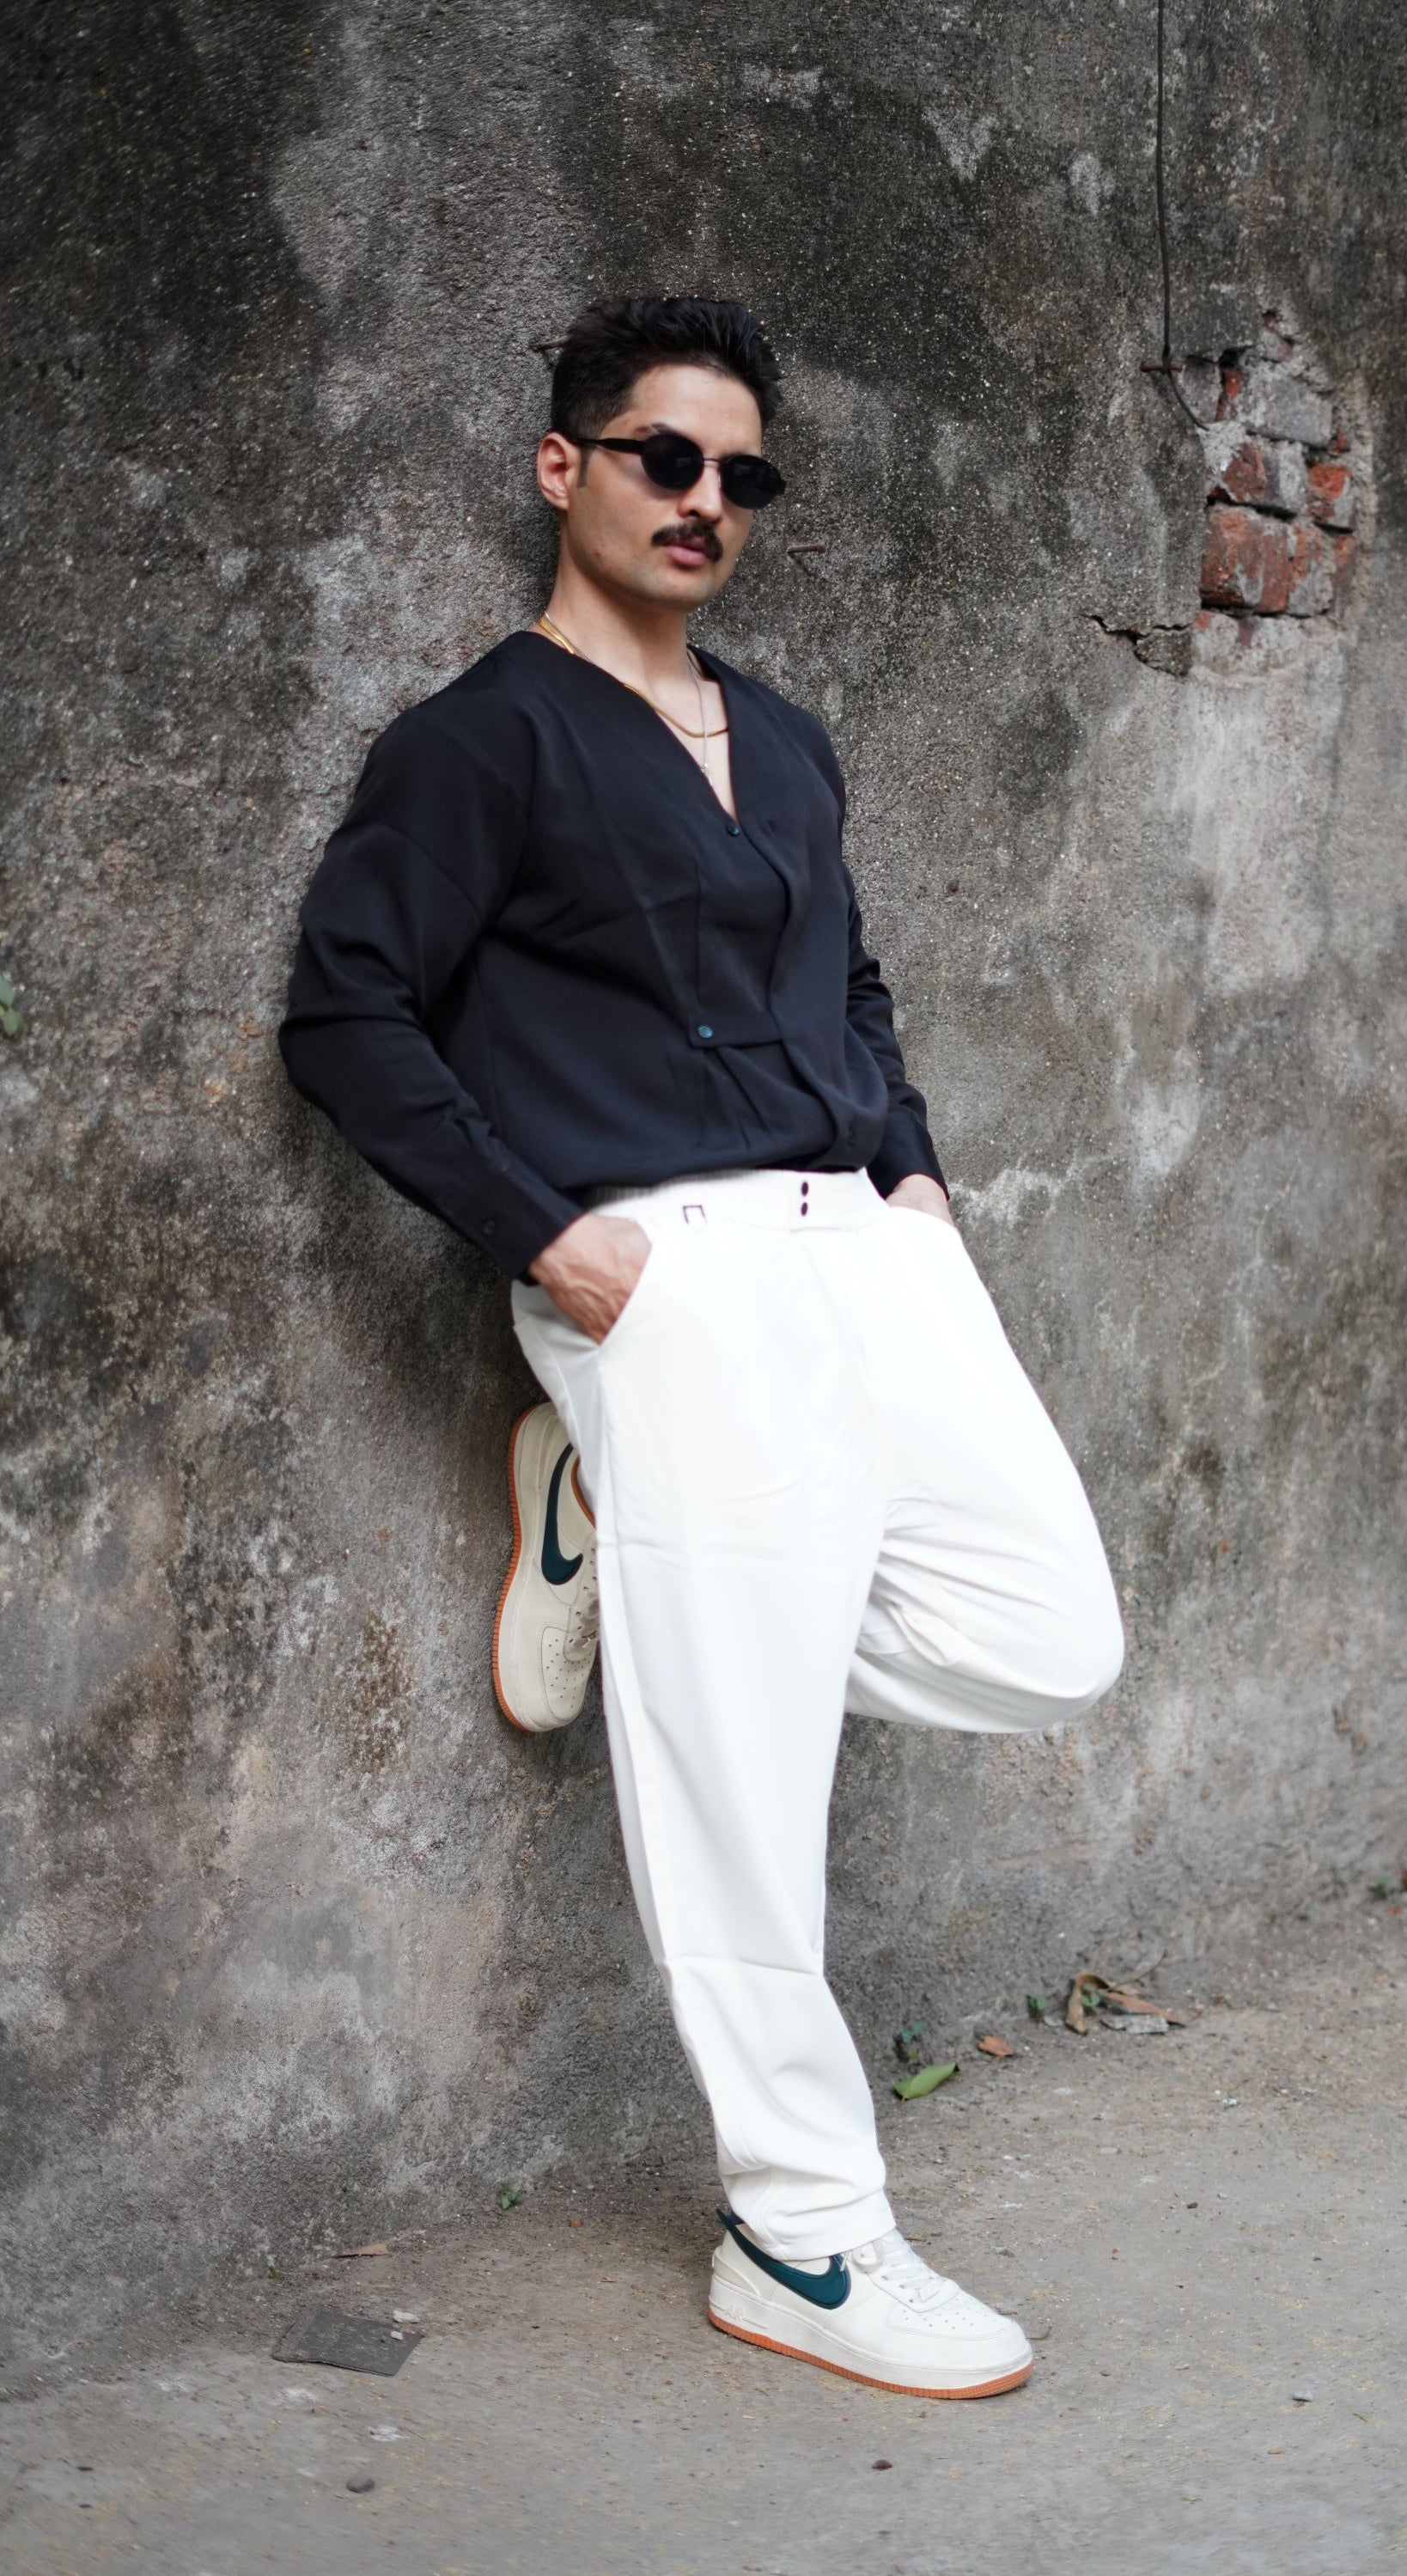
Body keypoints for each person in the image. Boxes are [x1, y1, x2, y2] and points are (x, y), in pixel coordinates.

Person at [279, 294, 1124, 2400]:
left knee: (1052, 1631)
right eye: (665, 456)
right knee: (737, 1781)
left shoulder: (790, 740)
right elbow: (346, 1011)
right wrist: (547, 1239)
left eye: (743, 474)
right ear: (564, 466)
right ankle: (802, 2233)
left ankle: (610, 1519)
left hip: (863, 1246)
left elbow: (853, 982)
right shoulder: (478, 742)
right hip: (661, 1275)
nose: (705, 500)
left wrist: (913, 1174)